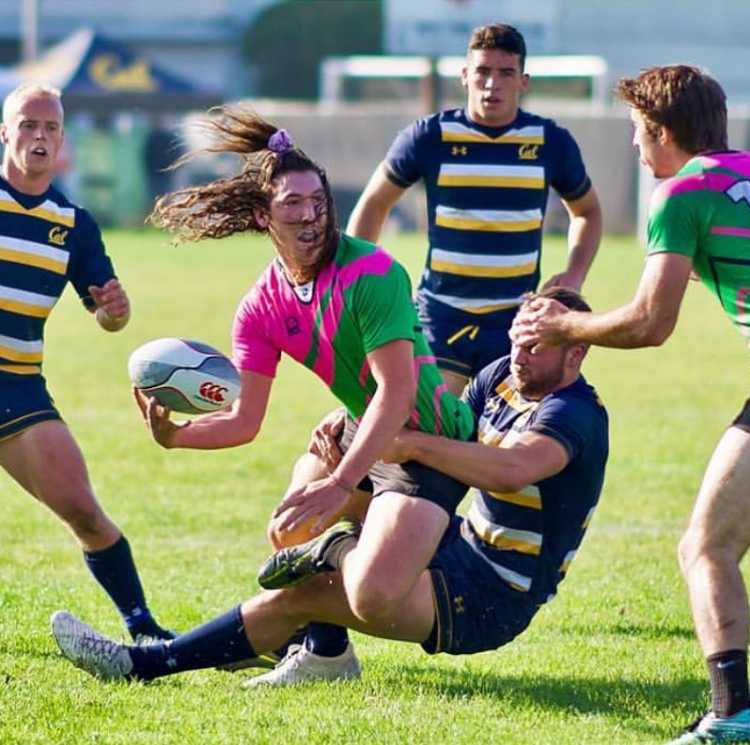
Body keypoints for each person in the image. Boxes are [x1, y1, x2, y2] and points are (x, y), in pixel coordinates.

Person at [50, 287, 609, 689]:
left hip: (494, 594)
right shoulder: (500, 379)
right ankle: (324, 649)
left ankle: (145, 664)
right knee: (315, 482)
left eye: (536, 347)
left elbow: (510, 470)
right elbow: (448, 437)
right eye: (517, 339)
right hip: (456, 544)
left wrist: (402, 448)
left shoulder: (574, 413)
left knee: (309, 589)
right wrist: (352, 433)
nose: (518, 355)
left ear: (576, 352)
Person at [127, 104, 476, 680]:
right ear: (264, 217)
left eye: (319, 201)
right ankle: (325, 651)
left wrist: (340, 483)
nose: (312, 215)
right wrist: (177, 436)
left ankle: (407, 545)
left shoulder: (372, 272)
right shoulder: (260, 306)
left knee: (375, 587)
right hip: (367, 430)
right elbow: (245, 420)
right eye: (294, 204)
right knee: (289, 529)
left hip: (430, 440)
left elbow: (397, 390)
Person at [511, 65, 750, 745]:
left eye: (637, 136)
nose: (635, 152)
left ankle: (734, 715)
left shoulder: (682, 192)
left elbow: (650, 321)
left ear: (662, 132)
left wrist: (562, 327)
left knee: (708, 545)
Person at [0, 83, 172, 641]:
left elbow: (105, 314)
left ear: (63, 140)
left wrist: (115, 312)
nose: (40, 136)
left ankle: (143, 628)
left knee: (83, 509)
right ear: (6, 133)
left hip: (19, 387)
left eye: (51, 127)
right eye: (28, 125)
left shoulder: (74, 224)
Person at [346, 23, 602, 395]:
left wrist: (575, 273)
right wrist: (363, 281)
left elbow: (588, 212)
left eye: (505, 73)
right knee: (432, 426)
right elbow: (373, 203)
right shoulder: (429, 136)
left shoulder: (551, 142)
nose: (492, 83)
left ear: (523, 81)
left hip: (516, 319)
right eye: (482, 71)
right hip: (441, 313)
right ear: (465, 76)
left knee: (501, 438)